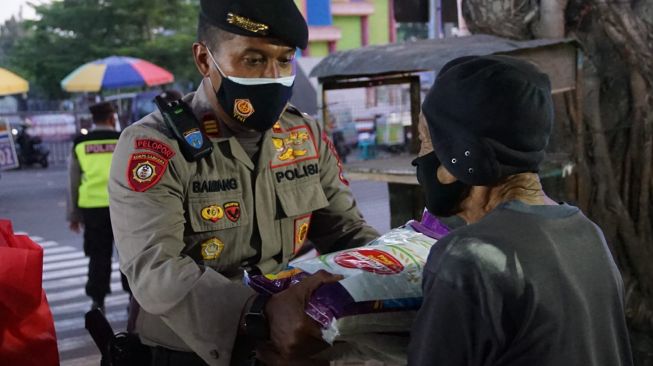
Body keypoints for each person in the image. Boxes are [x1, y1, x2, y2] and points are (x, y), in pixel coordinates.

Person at [108, 1, 379, 365]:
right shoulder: (155, 146)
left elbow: (346, 231)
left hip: (292, 343)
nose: (273, 75)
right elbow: (155, 267)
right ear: (205, 60)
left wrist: (397, 273)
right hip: (190, 352)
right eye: (253, 60)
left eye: (284, 60)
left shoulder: (304, 135)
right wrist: (259, 312)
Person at [409, 55, 633, 366]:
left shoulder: (469, 258)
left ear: (457, 158)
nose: (418, 158)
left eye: (424, 140)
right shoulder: (588, 235)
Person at [68, 101, 129, 311]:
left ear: (92, 120)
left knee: (98, 255)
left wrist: (73, 215)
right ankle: (134, 299)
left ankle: (97, 300)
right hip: (124, 207)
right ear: (112, 118)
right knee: (129, 254)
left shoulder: (80, 143)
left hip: (93, 209)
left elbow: (73, 181)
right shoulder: (124, 139)